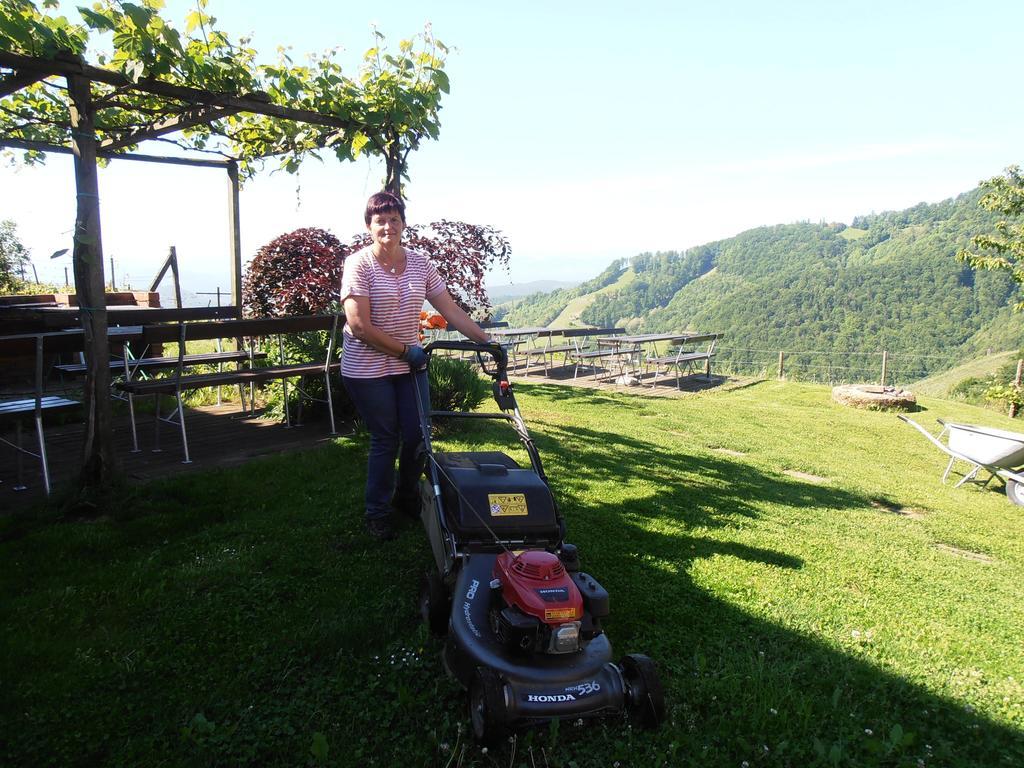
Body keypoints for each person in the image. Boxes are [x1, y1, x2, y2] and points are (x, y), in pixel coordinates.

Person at [340, 191, 492, 541]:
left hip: (409, 366)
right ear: (369, 226)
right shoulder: (359, 265)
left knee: (418, 437)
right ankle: (376, 512)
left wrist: (486, 341)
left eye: (394, 219)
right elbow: (360, 326)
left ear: (404, 224)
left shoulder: (421, 263)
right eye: (380, 221)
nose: (388, 226)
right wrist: (406, 350)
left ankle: (406, 498)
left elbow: (449, 309)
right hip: (367, 369)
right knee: (386, 438)